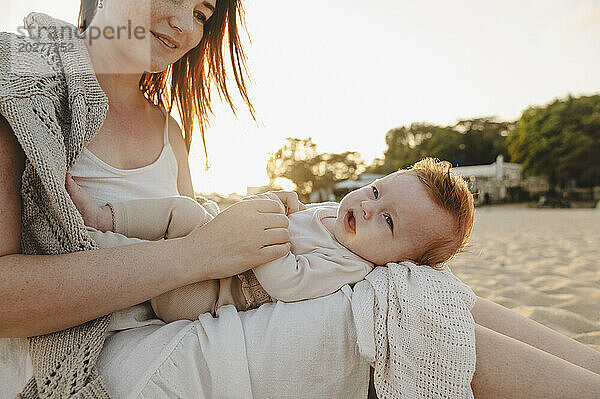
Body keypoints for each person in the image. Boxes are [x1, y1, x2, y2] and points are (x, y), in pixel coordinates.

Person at [1, 1, 599, 398]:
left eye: (204, 10)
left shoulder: (166, 128)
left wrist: (239, 236)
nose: (186, 22)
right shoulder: (19, 86)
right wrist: (201, 255)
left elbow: (191, 245)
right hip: (101, 357)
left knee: (420, 287)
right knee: (406, 311)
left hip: (183, 324)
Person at [65, 157, 475, 323]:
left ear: (399, 262)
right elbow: (301, 220)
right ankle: (102, 217)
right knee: (184, 209)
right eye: (376, 191)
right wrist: (286, 207)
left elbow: (288, 282)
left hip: (215, 291)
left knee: (159, 271)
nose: (368, 207)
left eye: (387, 221)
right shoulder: (337, 213)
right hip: (217, 241)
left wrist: (266, 234)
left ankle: (101, 256)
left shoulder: (348, 265)